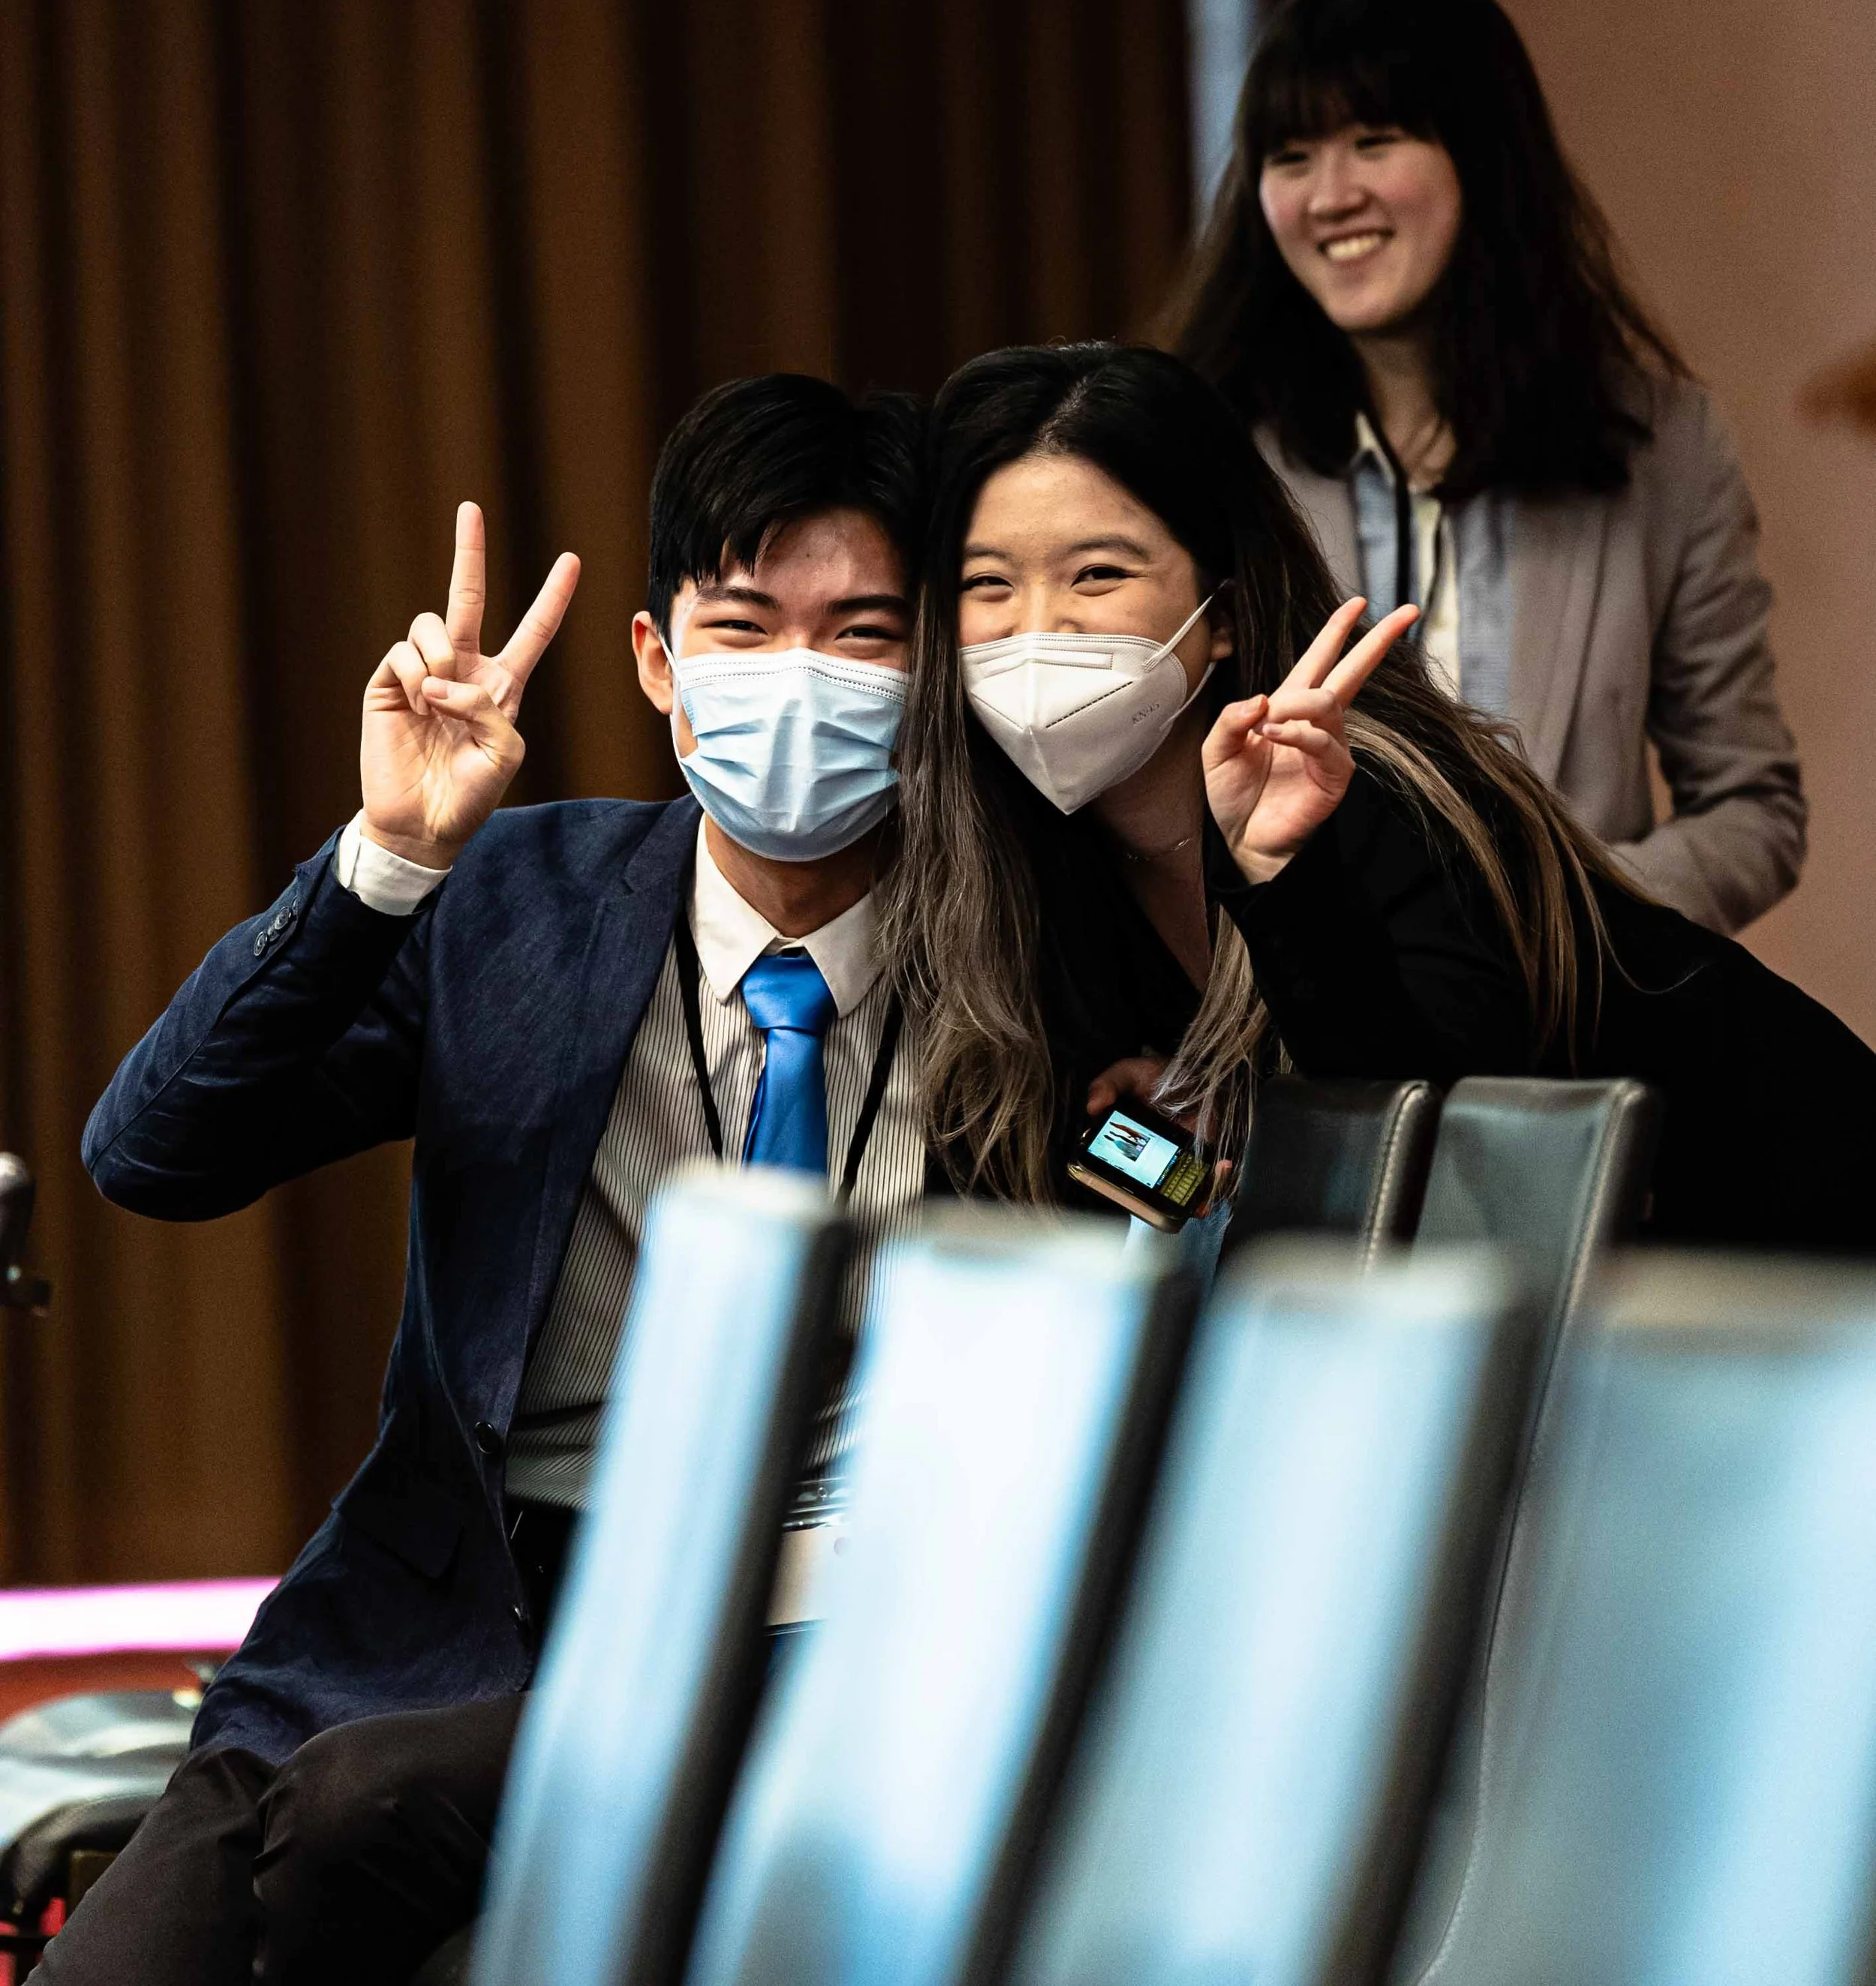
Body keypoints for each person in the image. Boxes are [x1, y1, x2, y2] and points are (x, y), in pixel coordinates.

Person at [48, 375, 928, 1985]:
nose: (797, 679)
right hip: (463, 1602)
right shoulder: (516, 898)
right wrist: (387, 862)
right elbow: (153, 1154)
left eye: (860, 633)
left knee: (363, 1823)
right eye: (742, 626)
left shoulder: (1017, 953)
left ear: (928, 668)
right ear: (658, 662)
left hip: (844, 1623)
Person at [882, 339, 1874, 1259]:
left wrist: (1283, 880)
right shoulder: (1017, 850)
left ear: (1221, 614)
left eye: (1098, 575)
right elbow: (1149, 1181)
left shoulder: (1365, 784)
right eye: (988, 584)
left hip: (1776, 1249)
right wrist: (1170, 1153)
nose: (1037, 628)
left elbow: (1439, 1149)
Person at [1167, 0, 1803, 939]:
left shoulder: (1663, 447)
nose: (1329, 195)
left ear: (1484, 156)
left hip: (1573, 1053)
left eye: (1375, 140)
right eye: (1291, 157)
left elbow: (1753, 810)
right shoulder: (1208, 458)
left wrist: (1572, 924)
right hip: (1294, 1050)